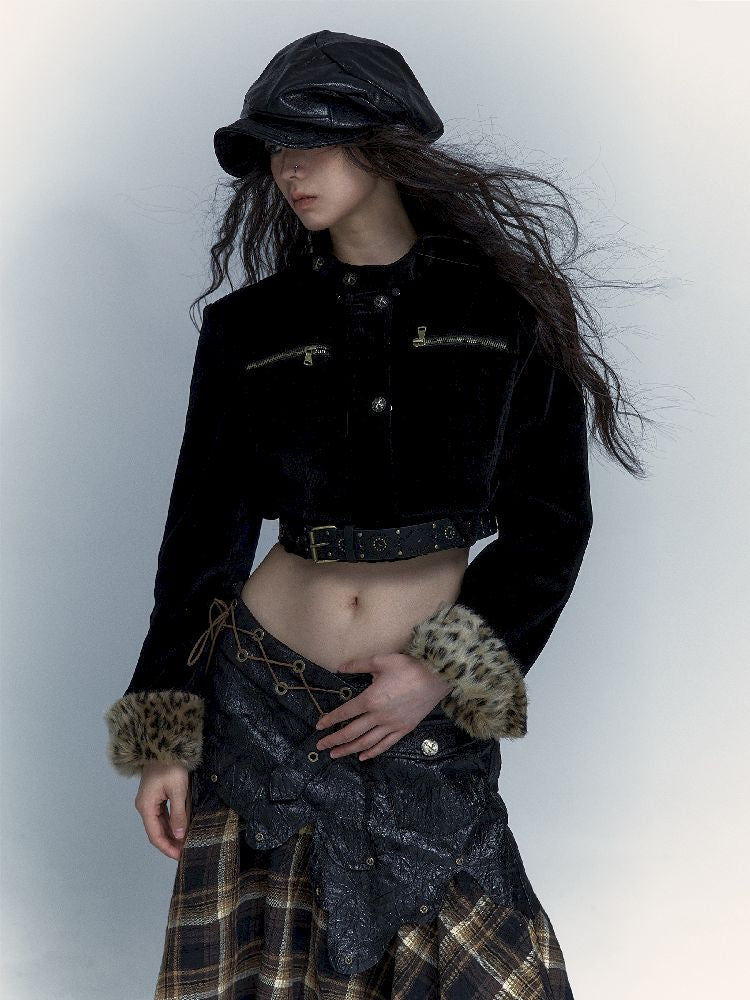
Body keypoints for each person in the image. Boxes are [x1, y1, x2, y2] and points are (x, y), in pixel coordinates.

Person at [104, 29, 645, 1000]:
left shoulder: (508, 311)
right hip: (259, 700)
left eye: (313, 140)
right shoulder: (246, 329)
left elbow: (553, 526)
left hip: (417, 709)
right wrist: (163, 742)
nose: (289, 167)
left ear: (386, 144)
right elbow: (199, 549)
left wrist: (440, 672)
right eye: (275, 146)